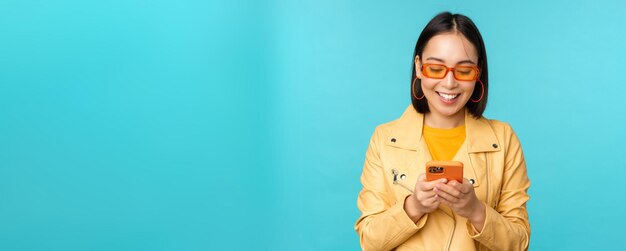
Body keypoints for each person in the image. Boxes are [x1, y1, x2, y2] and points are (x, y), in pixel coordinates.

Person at [354, 12, 530, 251]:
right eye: (436, 68)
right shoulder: (385, 140)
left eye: (464, 70)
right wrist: (413, 207)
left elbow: (519, 243)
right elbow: (370, 241)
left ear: (478, 73)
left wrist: (476, 211)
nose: (449, 83)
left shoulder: (503, 139)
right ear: (418, 67)